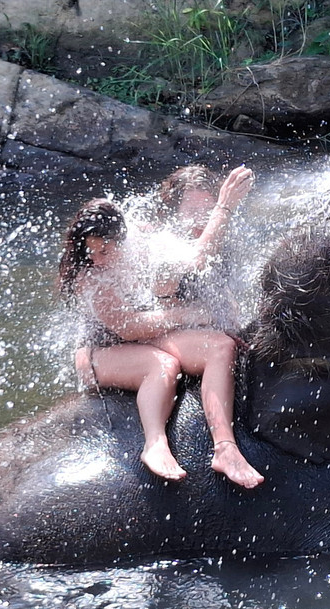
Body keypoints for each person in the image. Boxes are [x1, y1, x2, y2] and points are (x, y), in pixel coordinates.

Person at [58, 168, 264, 489]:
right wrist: (191, 313)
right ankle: (154, 444)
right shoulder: (91, 278)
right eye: (91, 252)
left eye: (105, 250)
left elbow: (190, 263)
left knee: (221, 346)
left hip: (148, 336)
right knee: (162, 366)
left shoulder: (138, 241)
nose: (97, 259)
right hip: (103, 353)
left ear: (122, 239)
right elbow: (130, 329)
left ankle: (225, 448)